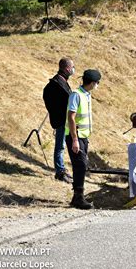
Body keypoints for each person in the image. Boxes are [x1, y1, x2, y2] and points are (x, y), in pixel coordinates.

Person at [65, 69, 102, 210]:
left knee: (80, 166)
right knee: (81, 165)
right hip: (76, 136)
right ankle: (79, 197)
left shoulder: (86, 95)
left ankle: (76, 197)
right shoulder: (76, 95)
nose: (98, 85)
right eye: (97, 83)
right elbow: (71, 117)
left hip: (83, 136)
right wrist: (74, 139)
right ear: (92, 83)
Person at [43, 58, 75, 184]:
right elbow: (50, 100)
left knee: (66, 145)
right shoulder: (56, 84)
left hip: (66, 120)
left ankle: (63, 169)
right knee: (60, 146)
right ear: (67, 68)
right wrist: (58, 115)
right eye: (72, 67)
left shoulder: (62, 81)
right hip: (62, 121)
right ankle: (60, 171)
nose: (73, 69)